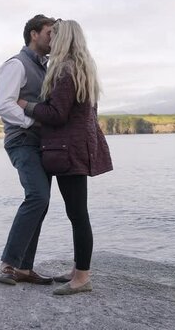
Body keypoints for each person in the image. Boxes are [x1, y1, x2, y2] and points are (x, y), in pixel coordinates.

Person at [18, 19, 113, 295]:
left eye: (55, 36)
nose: (51, 41)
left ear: (64, 39)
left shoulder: (65, 70)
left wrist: (26, 105)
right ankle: (78, 270)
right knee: (77, 213)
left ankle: (82, 277)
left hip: (69, 151)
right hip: (77, 147)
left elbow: (57, 114)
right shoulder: (82, 68)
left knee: (78, 214)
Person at [0, 14, 56, 285]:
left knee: (41, 203)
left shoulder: (46, 67)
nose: (53, 38)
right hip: (21, 140)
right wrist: (33, 120)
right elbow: (4, 105)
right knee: (38, 197)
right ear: (34, 34)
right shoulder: (16, 64)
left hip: (40, 143)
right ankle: (7, 265)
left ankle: (24, 267)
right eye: (49, 33)